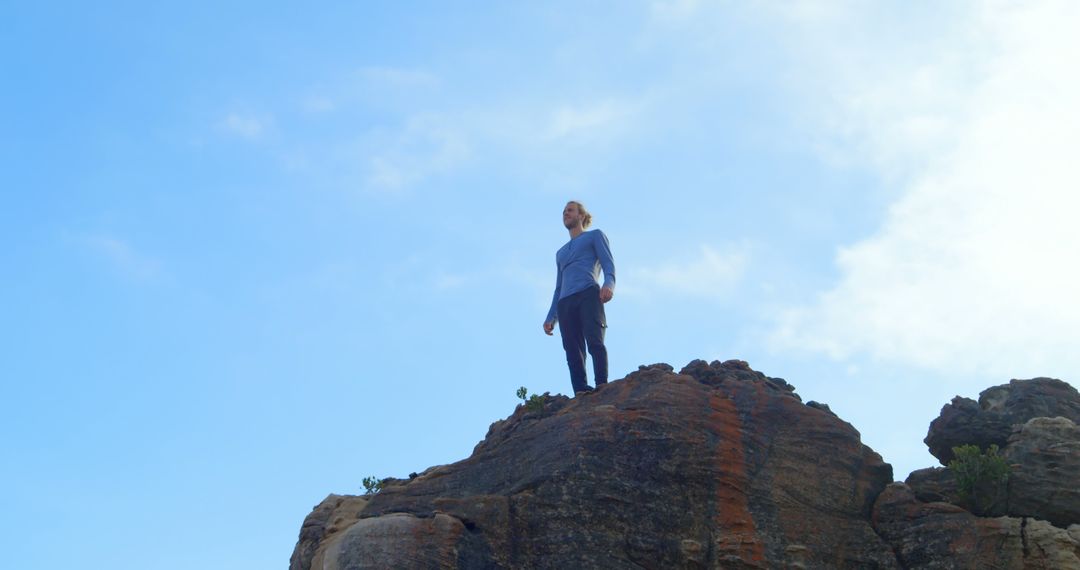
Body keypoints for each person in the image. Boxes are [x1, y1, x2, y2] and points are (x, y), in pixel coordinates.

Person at [543, 201, 616, 395]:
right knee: (573, 351)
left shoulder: (595, 236)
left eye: (570, 210)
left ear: (581, 216)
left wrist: (609, 284)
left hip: (588, 293)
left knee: (595, 341)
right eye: (564, 211)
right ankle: (581, 391)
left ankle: (602, 385)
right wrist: (551, 317)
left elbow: (609, 265)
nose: (565, 213)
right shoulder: (560, 253)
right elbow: (558, 287)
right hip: (565, 302)